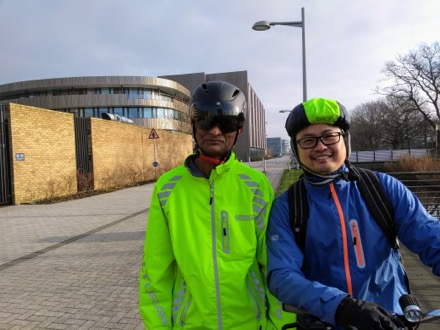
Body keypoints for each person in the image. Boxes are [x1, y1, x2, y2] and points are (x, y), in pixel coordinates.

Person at [267, 98, 440, 330]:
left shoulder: (383, 188)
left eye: (329, 136)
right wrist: (341, 307)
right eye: (308, 140)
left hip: (391, 321)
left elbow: (431, 238)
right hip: (327, 321)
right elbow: (281, 275)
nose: (320, 147)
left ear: (345, 140)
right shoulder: (287, 206)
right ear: (297, 150)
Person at [139, 80, 294, 329]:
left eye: (227, 122)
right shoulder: (167, 188)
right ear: (193, 125)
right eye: (205, 120)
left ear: (239, 130)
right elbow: (155, 269)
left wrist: (280, 325)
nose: (214, 131)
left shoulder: (255, 186)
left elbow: (275, 263)